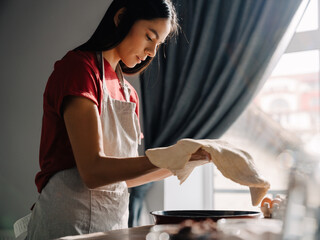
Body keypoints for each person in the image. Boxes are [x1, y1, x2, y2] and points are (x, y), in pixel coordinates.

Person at [25, 0, 211, 239]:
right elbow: (93, 171)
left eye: (158, 44)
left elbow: (125, 179)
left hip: (112, 226)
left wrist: (187, 160)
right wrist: (170, 156)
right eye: (149, 37)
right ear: (121, 17)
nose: (152, 52)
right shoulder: (79, 70)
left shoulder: (128, 93)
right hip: (67, 223)